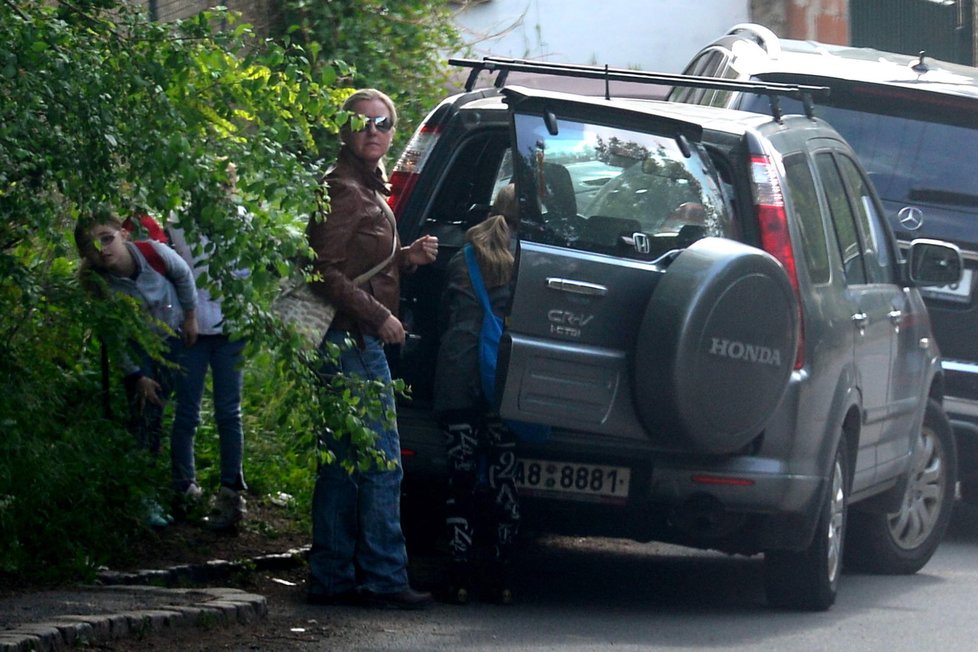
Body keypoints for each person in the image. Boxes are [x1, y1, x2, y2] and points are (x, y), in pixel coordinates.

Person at [305, 88, 439, 609]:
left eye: (383, 123)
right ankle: (384, 579)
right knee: (382, 462)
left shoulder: (365, 185)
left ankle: (332, 577)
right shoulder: (342, 187)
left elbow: (353, 262)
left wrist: (404, 258)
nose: (374, 131)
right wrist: (380, 316)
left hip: (348, 337)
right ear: (344, 128)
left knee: (341, 463)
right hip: (352, 340)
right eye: (362, 123)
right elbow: (321, 271)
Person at [74, 206, 199, 527]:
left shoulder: (152, 253)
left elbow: (183, 275)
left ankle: (182, 486)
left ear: (123, 235)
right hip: (137, 347)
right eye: (92, 246)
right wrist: (137, 375)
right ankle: (143, 496)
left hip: (171, 335)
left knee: (180, 408)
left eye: (107, 238)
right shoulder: (101, 284)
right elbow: (114, 336)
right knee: (146, 414)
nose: (103, 249)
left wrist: (190, 317)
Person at [433, 184, 521, 605]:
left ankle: (458, 576)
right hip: (502, 381)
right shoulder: (528, 260)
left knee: (461, 477)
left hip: (457, 375)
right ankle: (501, 579)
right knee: (504, 479)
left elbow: (444, 315)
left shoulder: (462, 257)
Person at [168, 167, 249, 530]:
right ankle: (184, 487)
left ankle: (231, 490)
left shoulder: (244, 221)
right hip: (193, 328)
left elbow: (249, 274)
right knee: (187, 410)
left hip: (231, 328)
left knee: (228, 412)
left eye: (224, 182)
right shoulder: (180, 221)